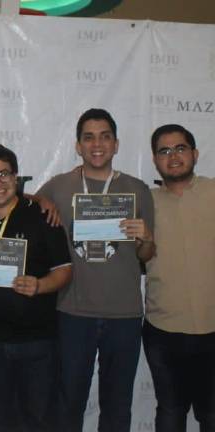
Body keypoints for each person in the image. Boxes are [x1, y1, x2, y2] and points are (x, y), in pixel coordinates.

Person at [37, 108, 155, 432]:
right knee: (68, 404)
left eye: (105, 137)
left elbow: (147, 254)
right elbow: (24, 208)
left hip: (124, 314)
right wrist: (38, 200)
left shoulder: (137, 189)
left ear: (116, 144)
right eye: (88, 137)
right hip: (73, 312)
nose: (97, 144)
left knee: (117, 407)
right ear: (78, 146)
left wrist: (146, 239)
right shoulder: (59, 186)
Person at [0, 144, 72, 432]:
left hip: (37, 341)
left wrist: (40, 285)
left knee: (39, 421)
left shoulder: (43, 216)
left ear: (16, 177)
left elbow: (65, 270)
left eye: (4, 174)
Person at [144, 124, 215, 431]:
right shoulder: (144, 202)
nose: (173, 156)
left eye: (180, 148)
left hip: (213, 328)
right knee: (170, 414)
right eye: (164, 151)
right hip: (164, 331)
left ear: (195, 154)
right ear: (155, 160)